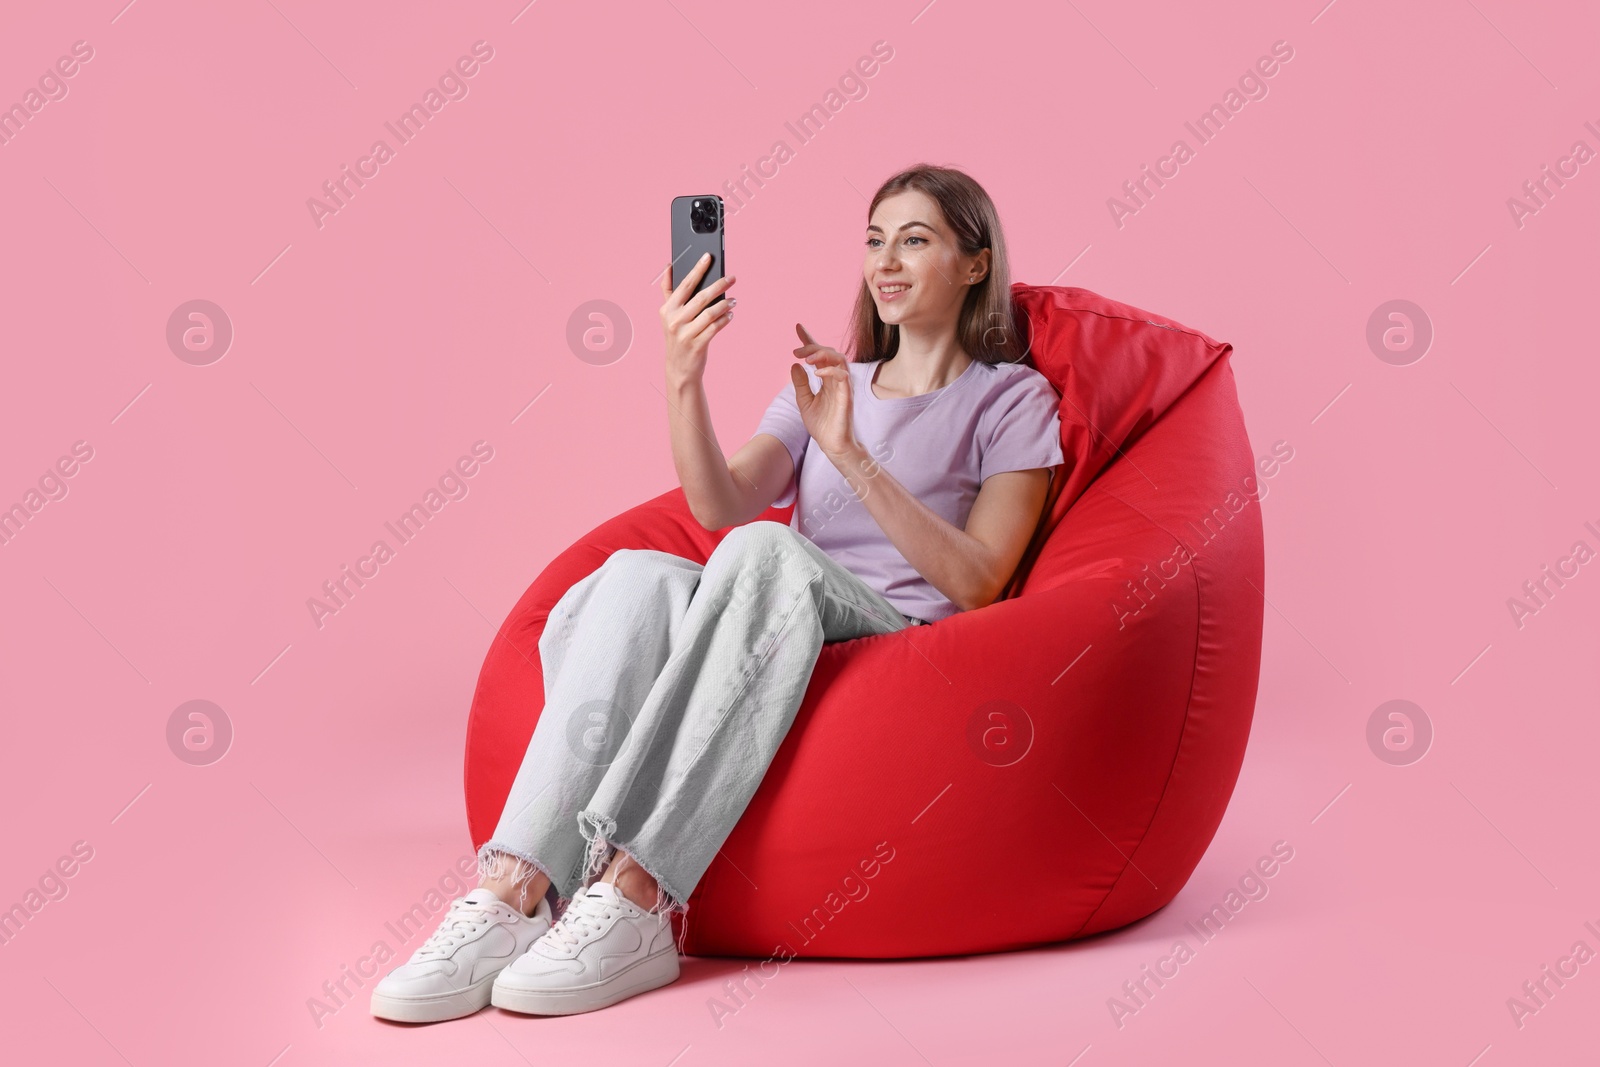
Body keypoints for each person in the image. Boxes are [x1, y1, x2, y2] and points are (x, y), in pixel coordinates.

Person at [370, 163, 1065, 1023]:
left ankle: (637, 893)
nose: (885, 261)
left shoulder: (1011, 397)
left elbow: (983, 578)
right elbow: (718, 504)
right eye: (875, 240)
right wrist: (681, 374)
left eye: (915, 240)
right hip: (778, 624)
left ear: (973, 263)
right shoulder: (826, 380)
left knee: (768, 551)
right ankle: (513, 890)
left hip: (900, 634)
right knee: (634, 577)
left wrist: (847, 452)